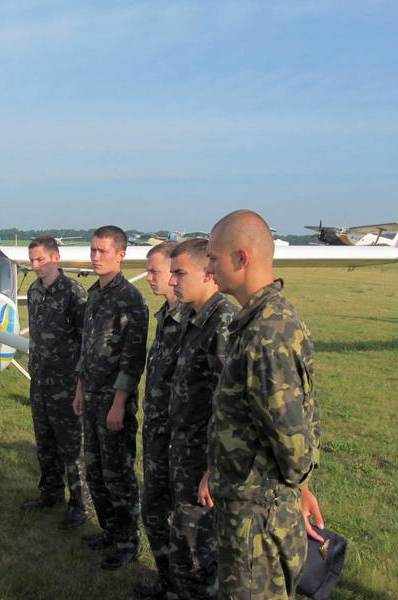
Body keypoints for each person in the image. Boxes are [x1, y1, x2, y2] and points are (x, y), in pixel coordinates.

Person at [204, 210, 324, 599]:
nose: (208, 267)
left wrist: (291, 490)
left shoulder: (266, 333)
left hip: (257, 519)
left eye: (213, 258)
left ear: (241, 258)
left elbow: (294, 445)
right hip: (249, 508)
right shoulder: (260, 321)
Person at [73, 225, 149, 570]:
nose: (95, 257)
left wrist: (119, 403)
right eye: (92, 250)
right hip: (91, 396)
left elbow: (133, 359)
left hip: (113, 401)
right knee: (95, 469)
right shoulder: (95, 295)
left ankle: (128, 541)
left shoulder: (129, 300)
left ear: (121, 254)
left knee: (118, 473)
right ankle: (109, 530)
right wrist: (79, 389)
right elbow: (86, 348)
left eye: (103, 251)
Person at [165, 238, 237, 600]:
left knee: (201, 550)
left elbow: (228, 405)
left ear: (208, 273)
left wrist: (213, 466)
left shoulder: (222, 322)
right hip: (184, 452)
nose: (171, 280)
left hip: (202, 461)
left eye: (179, 273)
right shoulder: (193, 318)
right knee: (184, 540)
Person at [20, 236, 89, 530]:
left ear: (55, 258)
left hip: (66, 381)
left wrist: (80, 383)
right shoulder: (33, 292)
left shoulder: (73, 292)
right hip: (40, 379)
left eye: (41, 260)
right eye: (32, 260)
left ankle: (80, 505)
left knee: (71, 447)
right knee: (45, 443)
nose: (36, 266)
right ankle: (49, 494)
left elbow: (87, 340)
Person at [134, 241, 182, 598]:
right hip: (158, 437)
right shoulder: (166, 317)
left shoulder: (202, 320)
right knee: (154, 513)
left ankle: (183, 588)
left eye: (155, 271)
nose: (148, 278)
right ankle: (167, 584)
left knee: (184, 525)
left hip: (184, 445)